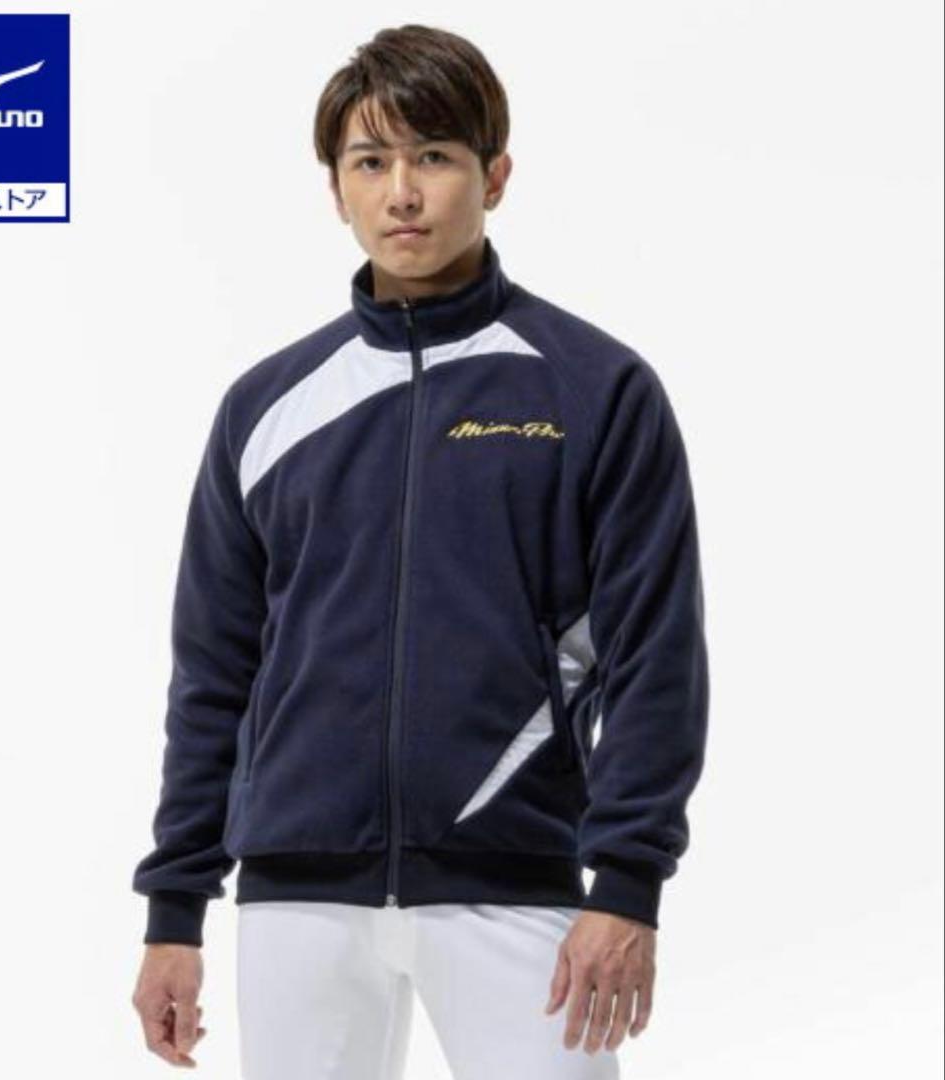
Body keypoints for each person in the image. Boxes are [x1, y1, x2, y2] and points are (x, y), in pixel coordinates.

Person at [130, 23, 709, 1078]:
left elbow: (654, 656)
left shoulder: (592, 389)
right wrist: (175, 907)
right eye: (369, 162)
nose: (401, 193)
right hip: (297, 892)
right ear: (335, 189)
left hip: (514, 877)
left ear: (495, 175)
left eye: (433, 156)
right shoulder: (265, 409)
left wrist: (628, 885)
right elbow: (214, 670)